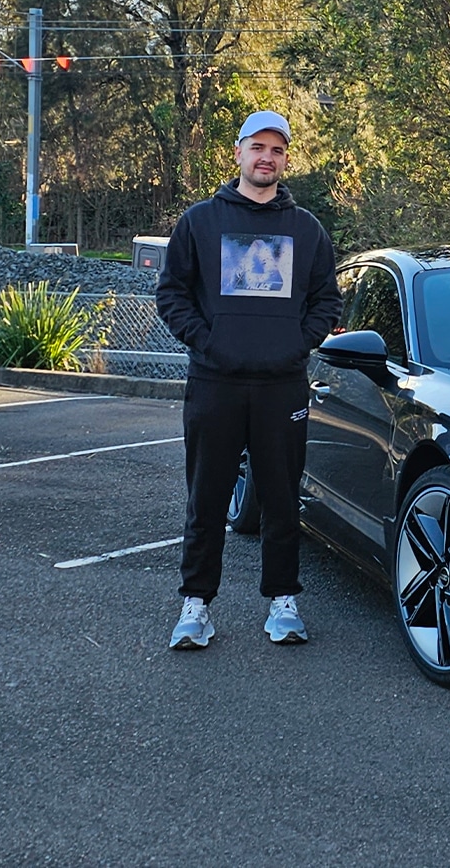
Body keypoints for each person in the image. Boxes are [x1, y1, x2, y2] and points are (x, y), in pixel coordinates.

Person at [156, 109, 342, 649]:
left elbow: (327, 300)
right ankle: (196, 605)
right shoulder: (200, 222)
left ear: (286, 159)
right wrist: (209, 341)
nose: (267, 157)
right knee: (206, 497)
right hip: (215, 382)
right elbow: (172, 293)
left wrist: (295, 344)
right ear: (238, 153)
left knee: (282, 498)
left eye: (277, 150)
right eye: (257, 147)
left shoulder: (306, 229)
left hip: (282, 385)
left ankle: (283, 602)